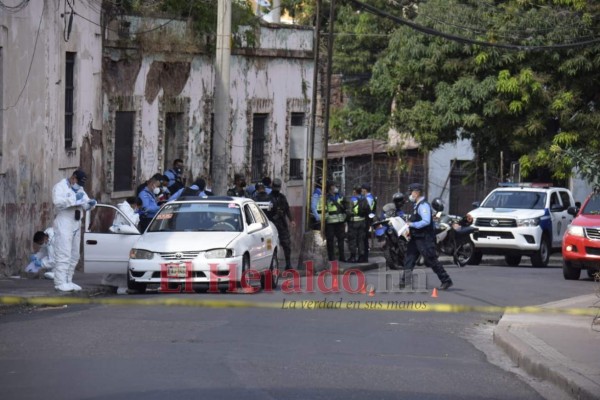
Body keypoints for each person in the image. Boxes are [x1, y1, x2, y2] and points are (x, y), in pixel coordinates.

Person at [400, 183, 453, 290]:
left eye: (411, 192)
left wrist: (412, 224)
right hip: (416, 237)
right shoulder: (417, 205)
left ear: (417, 192)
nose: (410, 194)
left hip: (424, 238)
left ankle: (446, 280)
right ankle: (405, 281)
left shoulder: (423, 205)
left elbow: (426, 221)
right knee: (409, 259)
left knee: (431, 259)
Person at [51, 169, 97, 292]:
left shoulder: (80, 189)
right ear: (73, 178)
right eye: (78, 182)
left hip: (76, 223)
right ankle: (60, 282)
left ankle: (68, 280)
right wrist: (73, 198)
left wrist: (91, 204)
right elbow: (57, 203)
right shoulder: (60, 187)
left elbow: (85, 204)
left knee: (74, 254)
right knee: (63, 253)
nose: (79, 186)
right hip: (64, 222)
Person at [266, 178, 296, 270]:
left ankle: (288, 264)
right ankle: (270, 265)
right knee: (270, 245)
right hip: (272, 224)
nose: (276, 189)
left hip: (282, 223)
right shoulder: (268, 198)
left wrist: (291, 220)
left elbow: (287, 209)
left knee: (286, 244)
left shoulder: (282, 197)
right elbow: (266, 212)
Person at [320, 181, 346, 262]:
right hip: (330, 222)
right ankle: (331, 257)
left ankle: (342, 257)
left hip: (340, 221)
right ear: (330, 187)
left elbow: (345, 206)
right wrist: (326, 218)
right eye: (334, 186)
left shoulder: (340, 196)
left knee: (341, 239)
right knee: (330, 240)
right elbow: (323, 209)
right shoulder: (325, 198)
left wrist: (344, 216)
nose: (335, 187)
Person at [346, 186, 367, 263]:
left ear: (355, 192)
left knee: (353, 240)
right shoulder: (364, 199)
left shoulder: (353, 200)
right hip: (362, 222)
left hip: (354, 222)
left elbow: (349, 212)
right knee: (361, 240)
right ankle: (361, 257)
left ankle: (353, 257)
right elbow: (368, 209)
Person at [361, 183, 377, 262]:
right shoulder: (371, 197)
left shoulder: (368, 198)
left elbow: (368, 209)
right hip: (368, 219)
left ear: (364, 190)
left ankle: (365, 257)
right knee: (364, 238)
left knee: (364, 238)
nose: (361, 191)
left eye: (362, 189)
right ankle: (364, 256)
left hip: (366, 219)